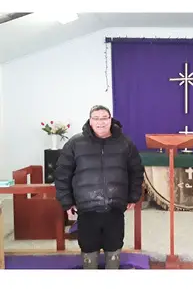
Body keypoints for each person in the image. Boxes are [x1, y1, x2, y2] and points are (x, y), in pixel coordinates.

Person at [54, 105, 144, 269]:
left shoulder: (125, 143)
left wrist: (133, 195)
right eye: (96, 118)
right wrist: (67, 202)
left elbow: (136, 171)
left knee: (114, 243)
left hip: (115, 206)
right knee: (88, 245)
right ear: (90, 121)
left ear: (111, 120)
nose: (100, 122)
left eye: (104, 118)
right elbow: (62, 174)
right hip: (86, 207)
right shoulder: (75, 143)